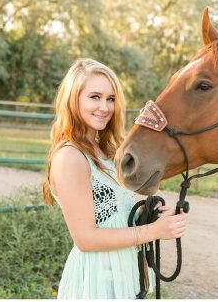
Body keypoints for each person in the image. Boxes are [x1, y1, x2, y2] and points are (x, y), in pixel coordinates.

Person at [43, 58, 186, 299]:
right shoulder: (70, 157)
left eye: (110, 99)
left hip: (121, 275)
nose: (105, 107)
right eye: (94, 97)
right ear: (73, 99)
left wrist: (151, 216)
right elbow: (85, 238)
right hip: (95, 282)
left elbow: (115, 217)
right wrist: (152, 232)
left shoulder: (105, 151)